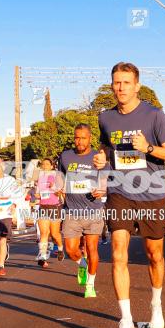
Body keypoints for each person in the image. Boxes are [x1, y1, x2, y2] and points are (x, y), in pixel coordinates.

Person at [94, 62, 165, 328]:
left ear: (137, 86)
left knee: (154, 254)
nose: (120, 88)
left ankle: (156, 305)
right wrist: (101, 159)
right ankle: (126, 320)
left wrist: (149, 148)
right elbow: (106, 148)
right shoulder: (105, 117)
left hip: (152, 193)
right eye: (117, 82)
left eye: (126, 83)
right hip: (120, 193)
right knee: (119, 252)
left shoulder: (154, 116)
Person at [60, 124, 106, 298]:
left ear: (90, 138)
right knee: (71, 250)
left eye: (83, 138)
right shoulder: (65, 156)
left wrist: (101, 190)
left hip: (93, 210)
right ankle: (82, 265)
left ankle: (90, 284)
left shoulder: (97, 157)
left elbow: (105, 180)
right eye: (77, 138)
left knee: (92, 248)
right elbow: (60, 175)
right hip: (72, 210)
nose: (79, 141)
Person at [33, 158, 65, 269]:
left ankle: (60, 248)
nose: (45, 166)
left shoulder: (57, 176)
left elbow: (60, 192)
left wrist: (53, 187)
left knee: (55, 234)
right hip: (43, 207)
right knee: (44, 233)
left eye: (47, 164)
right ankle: (42, 257)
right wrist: (37, 195)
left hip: (55, 207)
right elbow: (37, 194)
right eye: (43, 164)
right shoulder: (40, 178)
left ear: (52, 166)